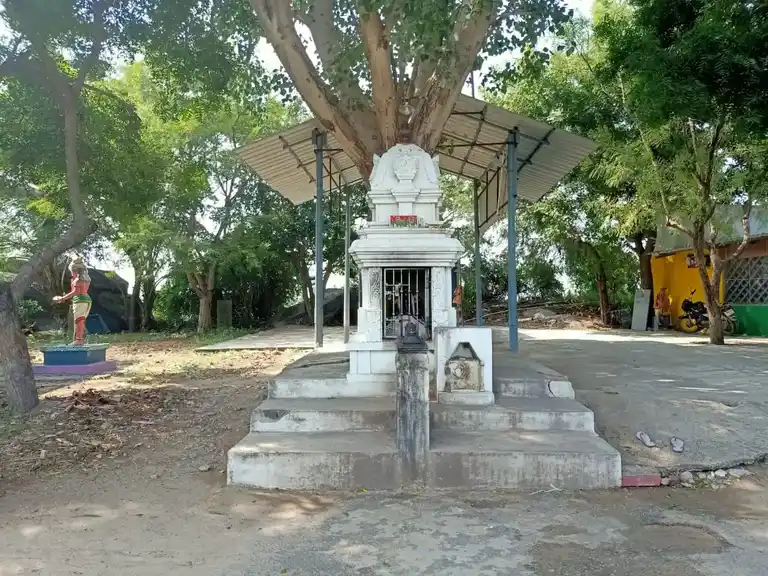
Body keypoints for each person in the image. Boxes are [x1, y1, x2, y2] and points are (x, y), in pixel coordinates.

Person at [53, 257, 92, 345]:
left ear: (74, 270)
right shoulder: (86, 279)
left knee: (79, 320)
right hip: (85, 299)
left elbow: (75, 292)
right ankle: (78, 339)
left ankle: (79, 340)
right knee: (79, 320)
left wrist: (62, 298)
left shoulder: (78, 280)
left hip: (80, 300)